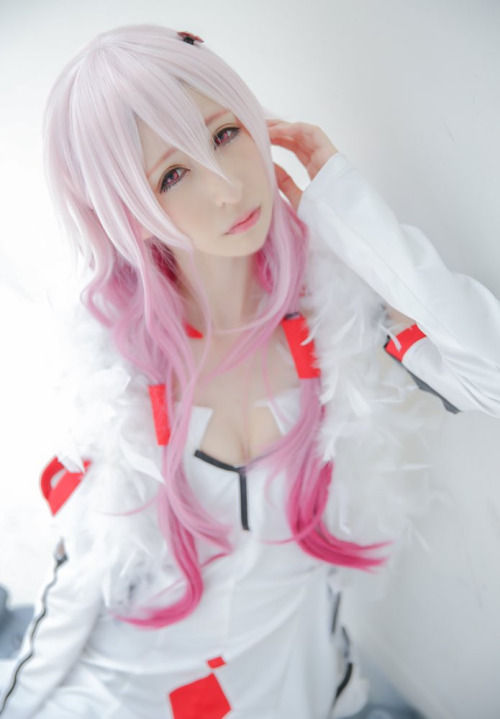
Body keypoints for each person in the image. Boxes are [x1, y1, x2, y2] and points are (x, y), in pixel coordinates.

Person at [1, 23, 499, 719]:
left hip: (289, 686)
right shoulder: (117, 372)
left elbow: (489, 375)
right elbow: (80, 584)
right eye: (172, 176)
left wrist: (345, 204)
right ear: (128, 216)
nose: (228, 188)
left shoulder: (334, 312)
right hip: (128, 688)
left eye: (226, 133)